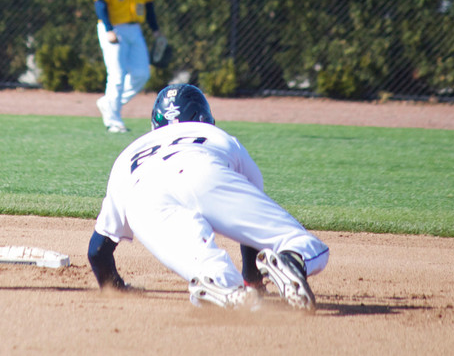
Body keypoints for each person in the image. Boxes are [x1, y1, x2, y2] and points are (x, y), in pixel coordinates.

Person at [87, 83, 330, 311]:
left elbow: (98, 252)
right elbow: (248, 231)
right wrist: (253, 281)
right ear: (204, 116)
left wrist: (115, 288)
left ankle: (219, 286)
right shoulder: (216, 135)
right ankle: (292, 260)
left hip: (144, 198)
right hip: (204, 171)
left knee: (210, 269)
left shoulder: (126, 158)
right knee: (300, 242)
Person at [93, 0, 164, 133]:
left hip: (135, 29)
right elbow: (100, 3)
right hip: (113, 28)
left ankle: (109, 103)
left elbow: (149, 4)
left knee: (142, 74)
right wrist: (108, 29)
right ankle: (113, 121)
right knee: (116, 75)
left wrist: (156, 30)